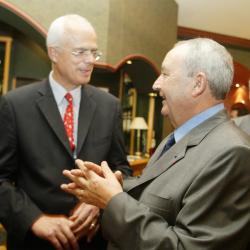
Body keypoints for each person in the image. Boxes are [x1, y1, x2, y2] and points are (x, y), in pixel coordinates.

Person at [62, 38, 250, 250]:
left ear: (198, 84)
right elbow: (159, 193)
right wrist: (111, 184)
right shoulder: (178, 137)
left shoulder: (234, 153)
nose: (156, 83)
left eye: (166, 74)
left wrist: (112, 201)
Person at [0, 14, 131, 250]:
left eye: (94, 52)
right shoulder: (15, 104)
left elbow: (121, 169)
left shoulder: (109, 106)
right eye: (80, 52)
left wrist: (100, 202)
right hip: (34, 243)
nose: (90, 60)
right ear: (54, 53)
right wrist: (34, 219)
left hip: (94, 241)